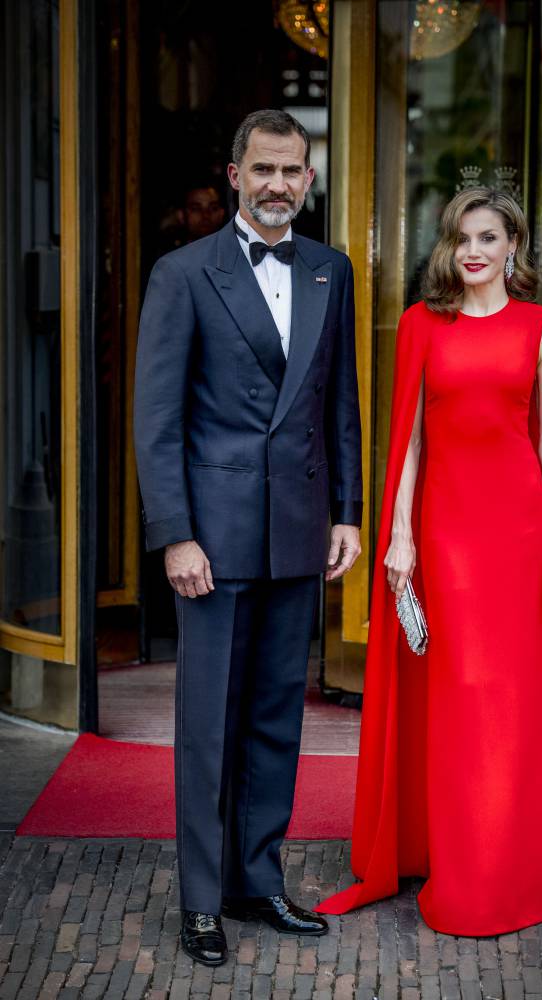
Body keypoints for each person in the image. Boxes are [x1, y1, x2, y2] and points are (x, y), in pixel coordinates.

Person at [317, 187, 542, 936]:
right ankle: (457, 867)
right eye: (462, 238)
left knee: (514, 703)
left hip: (521, 530)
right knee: (462, 697)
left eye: (489, 237)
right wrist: (398, 533)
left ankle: (507, 873)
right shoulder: (421, 325)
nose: (473, 251)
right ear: (447, 247)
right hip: (448, 534)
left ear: (513, 247)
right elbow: (408, 442)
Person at [133, 109, 363, 966]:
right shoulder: (184, 274)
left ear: (308, 178)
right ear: (234, 175)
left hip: (299, 533)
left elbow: (339, 403)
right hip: (213, 542)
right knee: (207, 725)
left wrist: (347, 512)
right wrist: (175, 535)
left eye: (291, 171)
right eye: (262, 169)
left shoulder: (329, 272)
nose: (277, 185)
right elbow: (156, 422)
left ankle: (256, 880)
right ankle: (201, 902)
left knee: (275, 720)